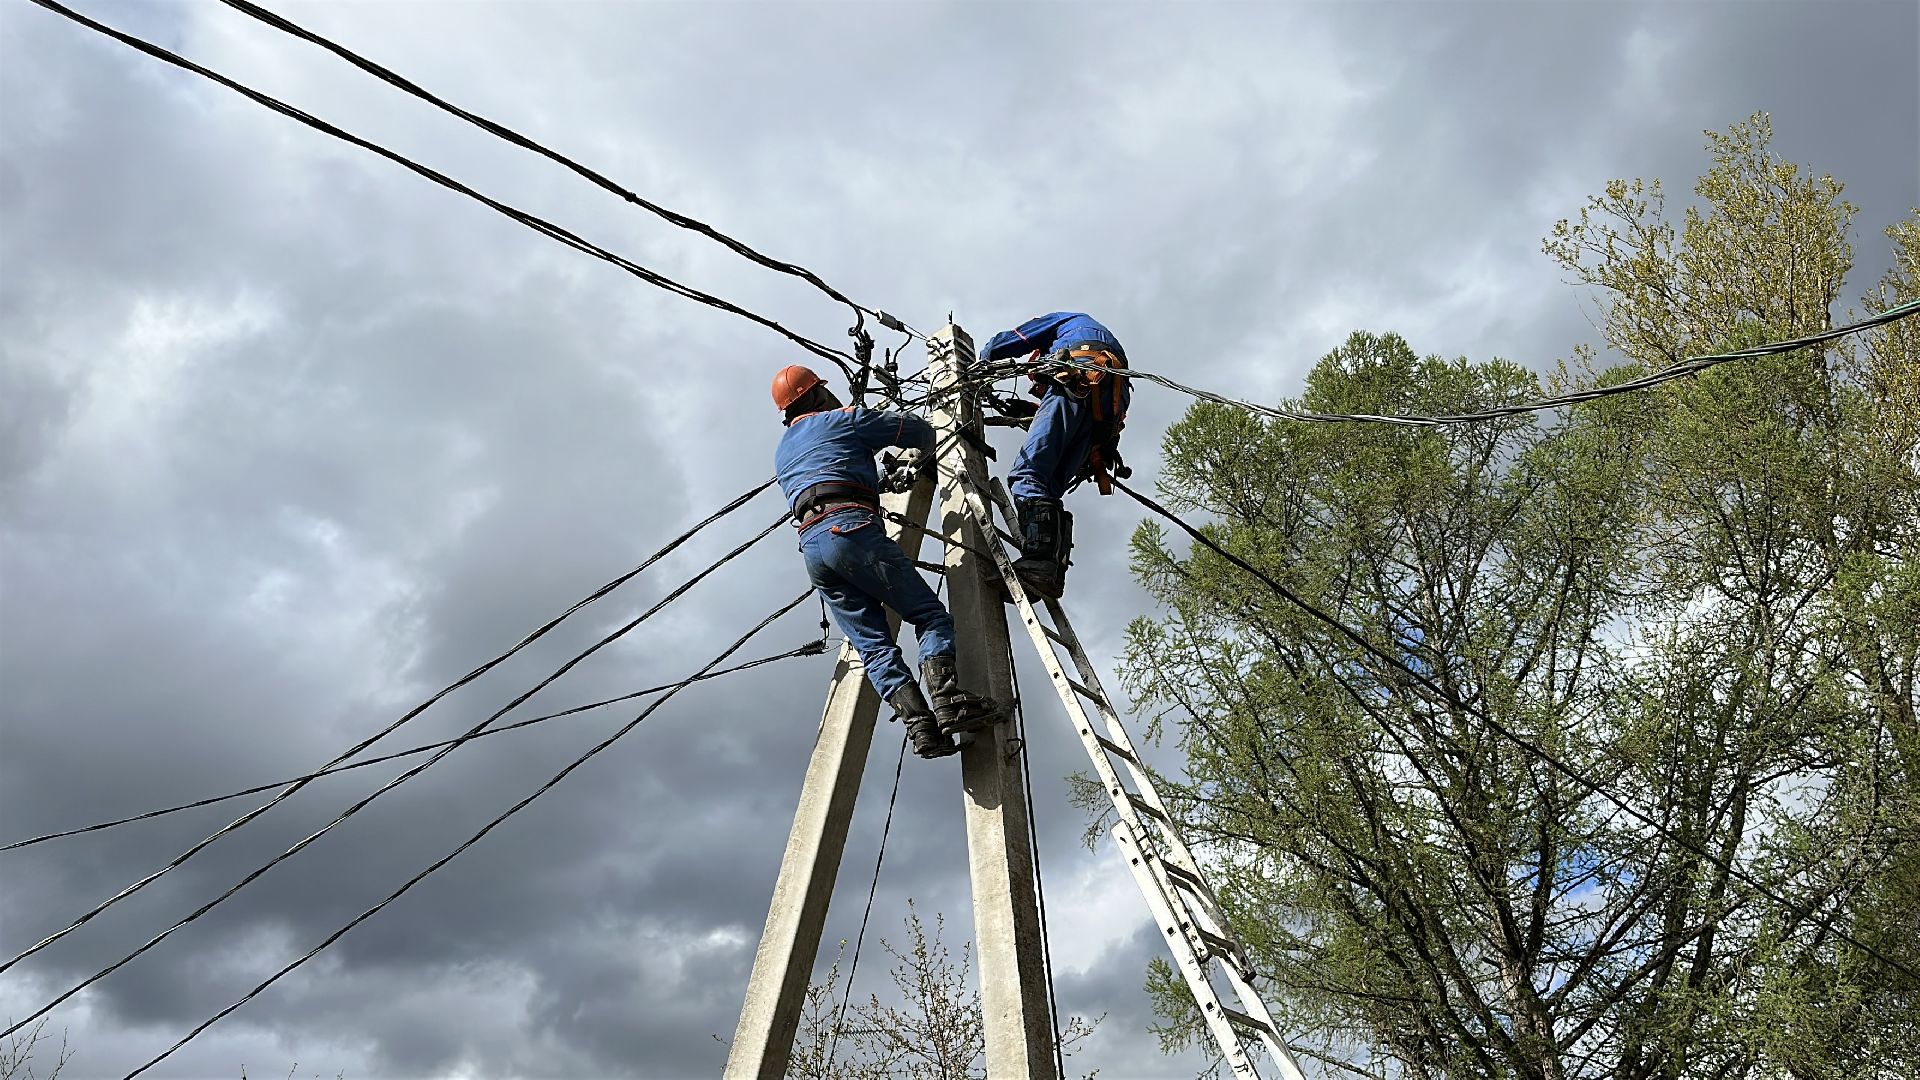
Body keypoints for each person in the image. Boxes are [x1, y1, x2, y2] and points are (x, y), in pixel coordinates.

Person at [770, 364, 1000, 759]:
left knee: (874, 647)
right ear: (816, 394)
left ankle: (922, 728)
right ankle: (947, 702)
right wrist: (919, 454)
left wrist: (880, 481)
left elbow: (830, 475)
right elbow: (920, 432)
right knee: (929, 616)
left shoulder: (784, 450)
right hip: (851, 530)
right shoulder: (843, 420)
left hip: (814, 549)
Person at [975, 312, 1131, 599]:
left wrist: (976, 367)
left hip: (1081, 378)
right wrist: (1028, 412)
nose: (1038, 391)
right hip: (1103, 417)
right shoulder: (1097, 340)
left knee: (1027, 474)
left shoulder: (1062, 323)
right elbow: (1066, 420)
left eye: (1038, 385)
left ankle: (1038, 563)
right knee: (1047, 488)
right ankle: (1050, 572)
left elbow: (1011, 341)